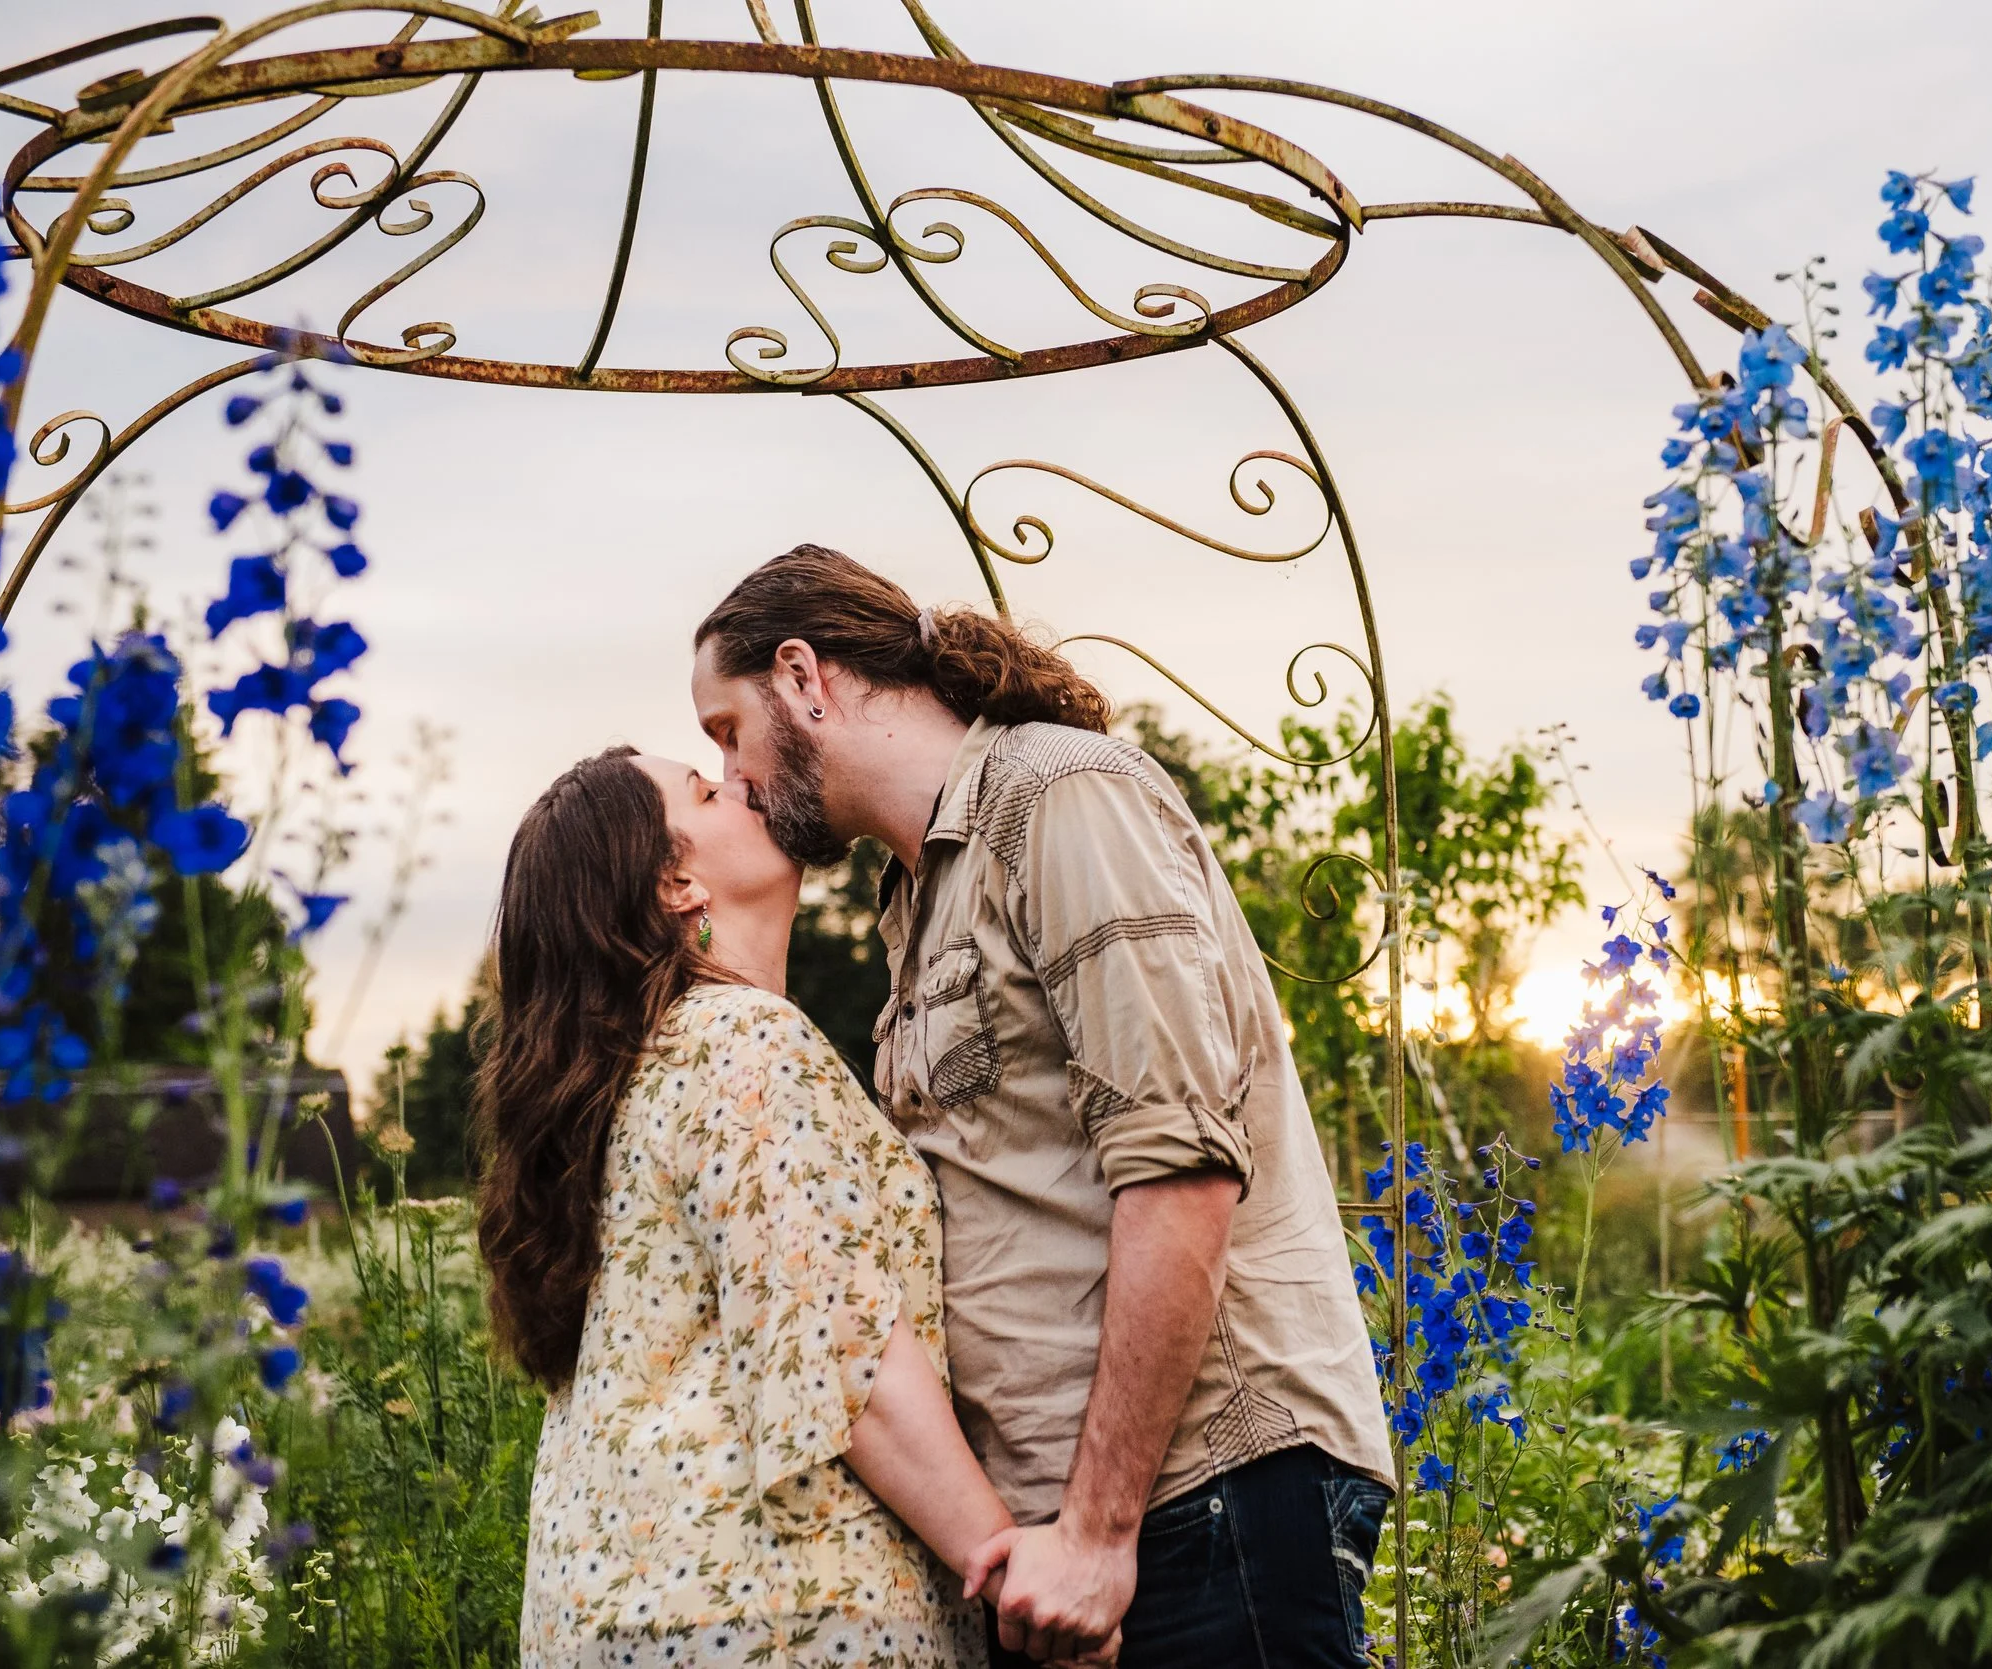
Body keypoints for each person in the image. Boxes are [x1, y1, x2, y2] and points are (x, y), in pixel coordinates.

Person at [691, 547, 1395, 1669]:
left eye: (727, 729)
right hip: (1067, 1535)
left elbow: (1179, 1167)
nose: (727, 773)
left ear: (801, 676)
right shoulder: (919, 887)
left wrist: (1100, 1529)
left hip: (1198, 1497)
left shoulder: (1062, 796)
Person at [479, 745, 1056, 1669]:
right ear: (674, 884)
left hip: (612, 1611)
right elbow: (840, 1348)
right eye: (707, 793)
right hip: (780, 1611)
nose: (740, 780)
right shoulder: (742, 1043)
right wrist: (1006, 1560)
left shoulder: (637, 1072)